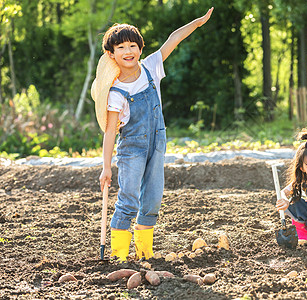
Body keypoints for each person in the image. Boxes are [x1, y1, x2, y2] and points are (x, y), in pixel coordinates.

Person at [91, 7, 214, 261]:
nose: (128, 51)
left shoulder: (151, 68)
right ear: (111, 54)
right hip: (132, 149)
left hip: (157, 145)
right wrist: (106, 167)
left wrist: (198, 23)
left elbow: (174, 39)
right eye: (121, 47)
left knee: (153, 200)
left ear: (140, 49)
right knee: (128, 200)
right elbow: (110, 131)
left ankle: (145, 253)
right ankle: (119, 255)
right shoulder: (115, 93)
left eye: (133, 45)